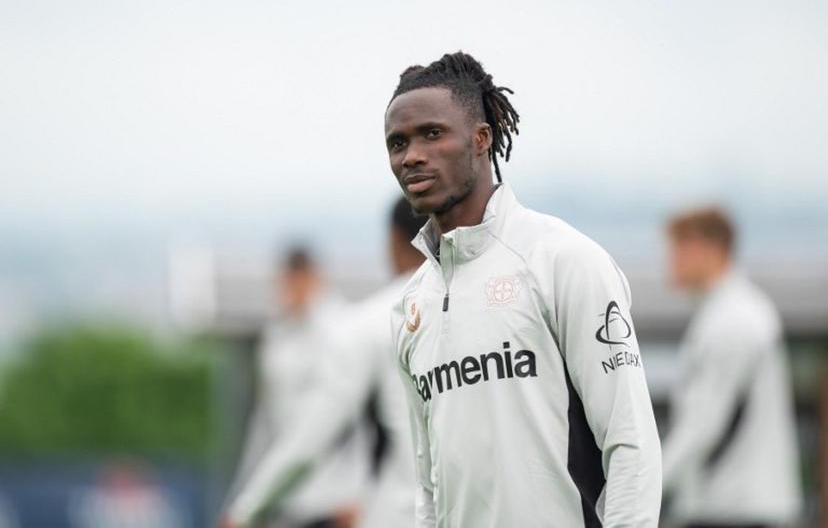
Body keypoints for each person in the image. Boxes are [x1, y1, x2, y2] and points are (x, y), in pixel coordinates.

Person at [385, 51, 661, 527]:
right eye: (398, 142)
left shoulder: (564, 261)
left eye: (432, 133)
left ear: (481, 139)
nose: (412, 155)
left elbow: (631, 443)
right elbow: (429, 484)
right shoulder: (411, 305)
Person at [223, 199, 428, 528]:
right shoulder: (277, 340)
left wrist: (246, 509)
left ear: (392, 240)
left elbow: (323, 430)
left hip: (359, 508)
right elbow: (266, 426)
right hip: (298, 503)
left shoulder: (357, 326)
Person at [661, 207, 802, 528]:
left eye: (679, 248)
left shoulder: (732, 320)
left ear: (708, 249)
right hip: (735, 508)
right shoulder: (728, 313)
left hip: (735, 511)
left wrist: (642, 488)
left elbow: (702, 427)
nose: (670, 260)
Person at [226, 248, 369, 528]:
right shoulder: (276, 339)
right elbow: (265, 428)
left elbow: (361, 422)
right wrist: (243, 500)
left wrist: (360, 494)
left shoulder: (345, 331)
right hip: (286, 503)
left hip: (335, 503)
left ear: (312, 278)